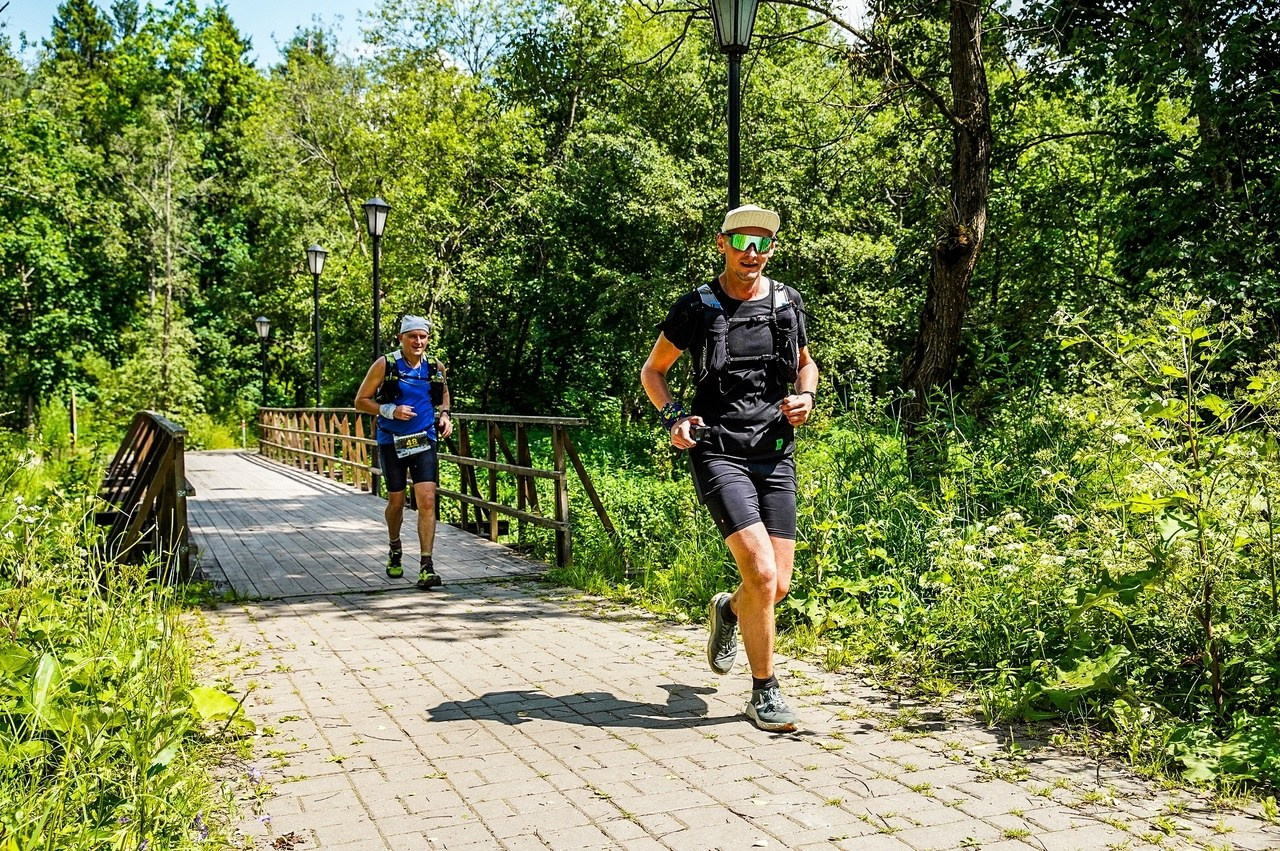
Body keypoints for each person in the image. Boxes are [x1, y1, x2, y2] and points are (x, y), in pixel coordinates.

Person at [640, 204, 819, 732]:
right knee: (761, 573)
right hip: (718, 448)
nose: (752, 252)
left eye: (762, 243)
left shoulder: (786, 303)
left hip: (774, 449)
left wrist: (805, 396)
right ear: (723, 244)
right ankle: (764, 692)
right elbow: (654, 371)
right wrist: (674, 416)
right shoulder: (697, 306)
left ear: (771, 250)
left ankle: (730, 610)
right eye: (742, 241)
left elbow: (805, 363)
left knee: (777, 585)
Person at [355, 315, 454, 590]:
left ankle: (426, 566)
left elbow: (444, 393)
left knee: (427, 500)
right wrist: (390, 410)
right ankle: (395, 547)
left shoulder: (435, 366)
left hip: (424, 440)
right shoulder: (385, 364)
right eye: (413, 336)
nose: (418, 341)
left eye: (423, 337)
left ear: (428, 339)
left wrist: (445, 415)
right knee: (396, 502)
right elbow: (360, 401)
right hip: (392, 440)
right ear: (401, 338)